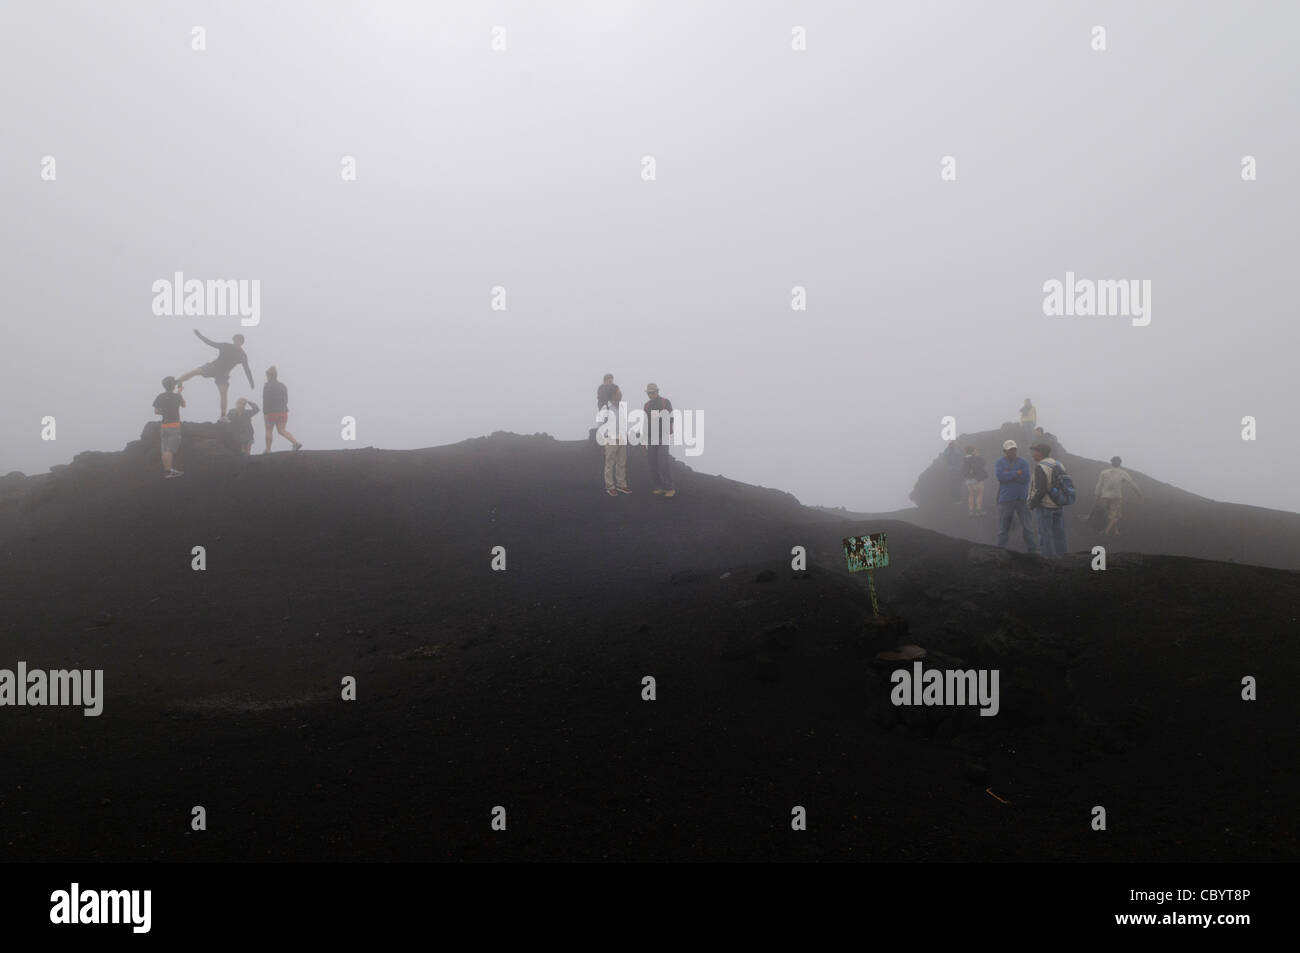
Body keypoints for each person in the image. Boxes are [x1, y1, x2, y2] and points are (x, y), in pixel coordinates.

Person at [177, 330, 254, 417]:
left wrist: (251, 382)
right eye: (235, 341)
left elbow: (247, 370)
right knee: (195, 372)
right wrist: (199, 335)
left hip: (223, 374)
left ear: (241, 343)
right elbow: (210, 343)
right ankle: (177, 381)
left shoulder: (242, 355)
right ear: (233, 340)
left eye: (238, 341)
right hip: (213, 367)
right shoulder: (225, 346)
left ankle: (223, 416)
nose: (236, 343)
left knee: (223, 393)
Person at [994, 439, 1037, 553]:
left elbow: (1026, 478)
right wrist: (1016, 473)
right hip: (1006, 499)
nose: (1012, 452)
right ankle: (999, 550)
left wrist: (1009, 475)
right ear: (1004, 451)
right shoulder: (999, 462)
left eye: (1014, 449)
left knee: (1027, 526)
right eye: (1010, 450)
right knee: (1003, 527)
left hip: (1022, 498)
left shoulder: (1023, 462)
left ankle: (1033, 550)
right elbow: (1001, 477)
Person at [1028, 443, 1068, 557]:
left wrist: (1032, 503)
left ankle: (1048, 558)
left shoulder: (1041, 467)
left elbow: (1041, 489)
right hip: (1058, 504)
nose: (1032, 454)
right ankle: (1063, 557)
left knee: (1045, 534)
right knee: (1059, 533)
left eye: (1034, 451)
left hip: (1046, 506)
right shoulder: (1059, 464)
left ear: (1040, 453)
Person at [596, 385, 631, 496]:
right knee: (609, 464)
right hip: (611, 440)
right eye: (618, 392)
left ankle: (621, 485)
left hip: (622, 439)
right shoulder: (606, 407)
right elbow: (600, 424)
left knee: (621, 463)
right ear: (613, 394)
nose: (621, 394)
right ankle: (610, 486)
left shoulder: (621, 407)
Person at [1096, 456, 1143, 536]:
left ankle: (1116, 531)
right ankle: (1105, 532)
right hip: (1116, 497)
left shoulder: (1103, 472)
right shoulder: (1123, 473)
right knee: (1114, 515)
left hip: (1104, 496)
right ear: (1120, 464)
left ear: (1111, 462)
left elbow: (1099, 485)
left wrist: (1097, 495)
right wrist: (1139, 494)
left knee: (1111, 513)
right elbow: (1132, 483)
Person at [643, 383, 676, 498]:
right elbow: (645, 422)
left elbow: (671, 417)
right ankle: (659, 487)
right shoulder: (646, 405)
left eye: (652, 392)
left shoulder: (665, 402)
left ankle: (669, 488)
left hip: (663, 437)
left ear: (657, 391)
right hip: (652, 437)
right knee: (652, 463)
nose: (650, 395)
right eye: (648, 393)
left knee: (663, 462)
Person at [261, 366, 301, 452]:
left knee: (268, 430)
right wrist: (283, 408)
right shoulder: (282, 385)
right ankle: (295, 443)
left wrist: (265, 412)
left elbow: (265, 399)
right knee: (282, 430)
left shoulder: (267, 385)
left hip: (271, 412)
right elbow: (286, 399)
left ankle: (268, 449)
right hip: (283, 411)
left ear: (268, 376)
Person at [152, 376, 186, 478]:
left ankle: (167, 470)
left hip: (164, 425)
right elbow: (184, 405)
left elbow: (156, 412)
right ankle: (168, 472)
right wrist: (179, 392)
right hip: (174, 425)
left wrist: (165, 411)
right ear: (174, 386)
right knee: (170, 450)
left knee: (164, 449)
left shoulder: (160, 396)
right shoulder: (176, 396)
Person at [961, 446, 987, 516]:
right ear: (972, 451)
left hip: (968, 480)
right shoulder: (975, 458)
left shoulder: (965, 459)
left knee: (971, 494)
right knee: (980, 493)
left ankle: (971, 511)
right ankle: (978, 511)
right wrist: (978, 455)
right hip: (976, 479)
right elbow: (983, 463)